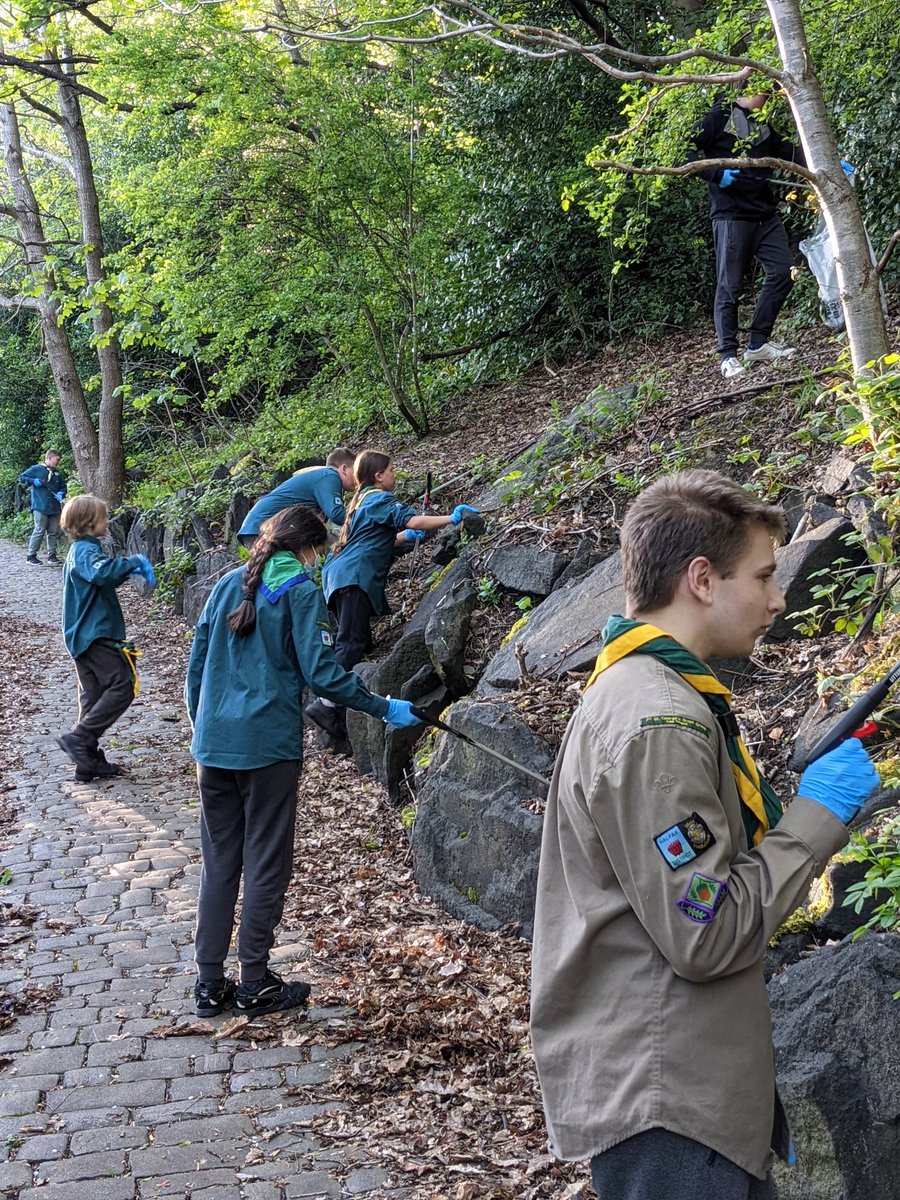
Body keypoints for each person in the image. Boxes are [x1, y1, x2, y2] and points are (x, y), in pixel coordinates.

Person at [530, 469, 879, 1200]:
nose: (778, 599)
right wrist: (819, 817)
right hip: (670, 1108)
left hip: (687, 1093)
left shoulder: (652, 692)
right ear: (701, 579)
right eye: (762, 575)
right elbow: (705, 926)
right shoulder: (656, 721)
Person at [185, 505, 423, 1018]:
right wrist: (383, 707)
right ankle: (254, 982)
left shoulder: (228, 583)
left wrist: (200, 726)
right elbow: (323, 676)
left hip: (214, 747)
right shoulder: (300, 591)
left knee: (221, 862)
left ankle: (208, 984)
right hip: (267, 748)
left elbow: (198, 663)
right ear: (309, 548)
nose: (320, 559)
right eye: (320, 550)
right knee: (266, 860)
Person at [308, 449, 478, 750]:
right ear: (378, 475)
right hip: (353, 577)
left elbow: (379, 536)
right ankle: (324, 703)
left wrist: (404, 540)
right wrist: (450, 518)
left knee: (352, 641)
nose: (394, 475)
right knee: (351, 643)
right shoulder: (377, 498)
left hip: (339, 577)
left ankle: (332, 709)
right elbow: (408, 520)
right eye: (391, 470)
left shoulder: (360, 502)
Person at [689, 85, 807, 380]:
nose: (766, 101)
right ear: (750, 90)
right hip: (731, 216)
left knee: (784, 272)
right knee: (730, 286)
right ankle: (728, 356)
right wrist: (716, 174)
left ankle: (758, 343)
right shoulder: (718, 116)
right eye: (764, 95)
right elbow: (684, 152)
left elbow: (788, 151)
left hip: (764, 215)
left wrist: (826, 163)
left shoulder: (761, 124)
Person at [56, 495, 156, 782]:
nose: (107, 522)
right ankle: (81, 738)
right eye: (103, 517)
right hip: (95, 634)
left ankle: (85, 759)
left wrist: (125, 571)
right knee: (122, 685)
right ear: (88, 523)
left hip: (82, 636)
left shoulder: (82, 551)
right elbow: (101, 574)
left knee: (93, 696)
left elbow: (102, 578)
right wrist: (131, 562)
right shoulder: (86, 552)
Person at [237, 447, 357, 549]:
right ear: (344, 468)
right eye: (357, 472)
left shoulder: (322, 478)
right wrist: (366, 518)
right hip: (262, 527)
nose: (359, 478)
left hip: (261, 528)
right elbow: (337, 515)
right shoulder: (329, 476)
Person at [19, 449, 67, 565]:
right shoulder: (36, 469)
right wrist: (33, 481)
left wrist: (61, 493)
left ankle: (52, 555)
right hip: (40, 506)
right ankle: (31, 555)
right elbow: (21, 478)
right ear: (49, 458)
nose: (58, 462)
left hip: (54, 508)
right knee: (39, 530)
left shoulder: (57, 474)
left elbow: (63, 486)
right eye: (57, 460)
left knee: (53, 531)